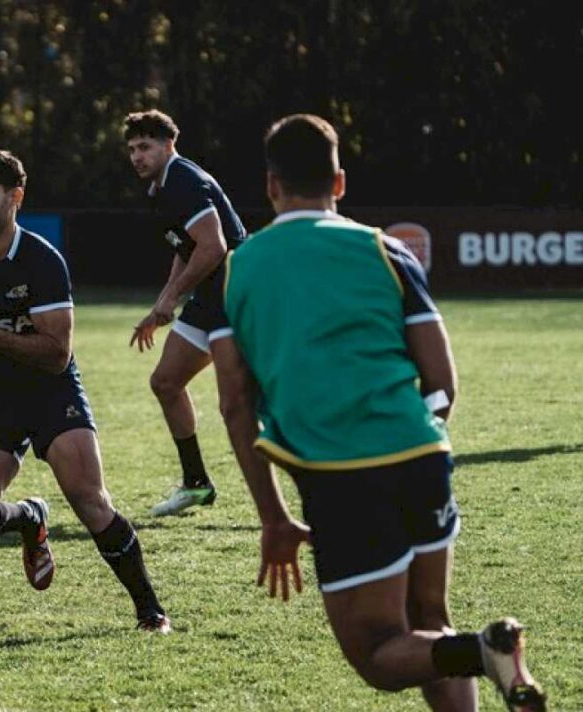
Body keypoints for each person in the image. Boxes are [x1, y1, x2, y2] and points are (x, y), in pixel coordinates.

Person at [216, 114, 545, 711]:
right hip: (422, 454)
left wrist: (274, 517)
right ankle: (482, 653)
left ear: (270, 185)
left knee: (378, 654)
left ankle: (484, 651)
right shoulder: (384, 249)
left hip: (340, 474)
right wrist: (419, 435)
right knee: (427, 619)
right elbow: (441, 382)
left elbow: (235, 401)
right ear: (339, 183)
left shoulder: (239, 268)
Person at [0, 150, 171, 632]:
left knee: (88, 497)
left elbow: (57, 352)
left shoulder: (41, 260)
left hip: (48, 388)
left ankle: (149, 608)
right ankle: (29, 517)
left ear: (14, 197)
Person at [123, 109, 249, 517]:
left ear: (168, 145)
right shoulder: (162, 187)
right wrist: (162, 304)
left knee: (249, 404)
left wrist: (172, 296)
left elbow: (213, 247)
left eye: (145, 147)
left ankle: (332, 483)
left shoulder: (184, 181)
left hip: (236, 296)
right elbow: (189, 249)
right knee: (165, 381)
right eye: (132, 149)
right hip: (210, 297)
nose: (137, 156)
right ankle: (197, 483)